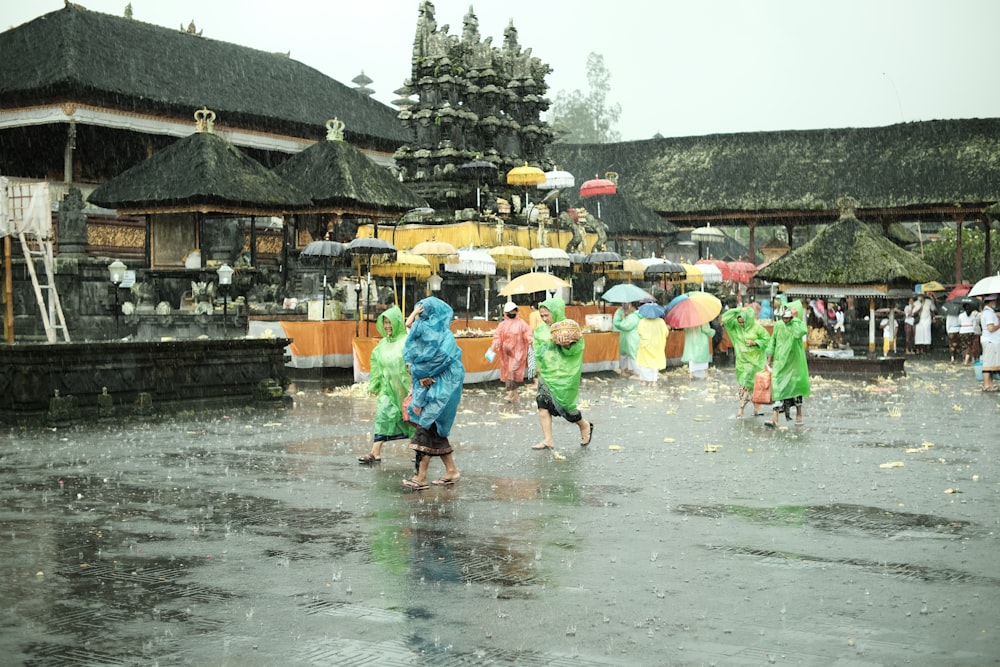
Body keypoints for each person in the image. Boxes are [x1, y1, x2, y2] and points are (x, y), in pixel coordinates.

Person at [401, 297, 464, 489]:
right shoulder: (424, 336)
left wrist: (423, 373)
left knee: (425, 429)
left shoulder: (446, 338)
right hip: (428, 388)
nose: (422, 318)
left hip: (442, 389)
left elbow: (441, 359)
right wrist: (418, 373)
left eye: (424, 313)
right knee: (434, 431)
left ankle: (420, 477)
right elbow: (411, 349)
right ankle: (451, 470)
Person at [531, 296, 593, 451]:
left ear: (556, 312)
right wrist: (536, 369)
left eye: (547, 315)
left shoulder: (570, 328)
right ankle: (548, 439)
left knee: (565, 407)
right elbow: (537, 351)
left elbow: (578, 348)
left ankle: (584, 424)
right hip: (547, 374)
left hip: (564, 375)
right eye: (542, 316)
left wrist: (566, 346)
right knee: (542, 404)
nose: (544, 319)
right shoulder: (539, 331)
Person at [358, 306, 414, 464]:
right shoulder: (381, 345)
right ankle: (375, 452)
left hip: (407, 389)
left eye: (390, 322)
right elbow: (376, 366)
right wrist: (375, 385)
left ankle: (419, 452)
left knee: (412, 420)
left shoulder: (407, 341)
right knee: (383, 415)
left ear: (397, 323)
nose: (387, 326)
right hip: (388, 389)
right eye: (385, 323)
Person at [721, 306, 771, 418]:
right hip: (742, 362)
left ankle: (751, 409)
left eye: (743, 322)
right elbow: (725, 318)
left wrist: (755, 342)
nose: (742, 324)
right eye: (740, 322)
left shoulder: (757, 328)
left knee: (754, 386)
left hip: (756, 363)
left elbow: (767, 340)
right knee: (745, 385)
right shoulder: (736, 327)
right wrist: (737, 310)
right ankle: (742, 408)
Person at [765, 306, 811, 426]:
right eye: (784, 317)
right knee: (777, 389)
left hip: (794, 364)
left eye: (788, 318)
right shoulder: (779, 325)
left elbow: (799, 333)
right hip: (780, 363)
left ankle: (799, 414)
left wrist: (795, 319)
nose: (785, 320)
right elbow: (772, 342)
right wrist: (769, 361)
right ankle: (775, 419)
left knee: (795, 390)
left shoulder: (797, 325)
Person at [491, 301, 533, 401]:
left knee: (511, 371)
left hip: (518, 353)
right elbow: (497, 336)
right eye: (510, 311)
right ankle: (515, 394)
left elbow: (528, 333)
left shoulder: (521, 323)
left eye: (513, 311)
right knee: (508, 374)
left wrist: (531, 341)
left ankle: (510, 394)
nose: (512, 313)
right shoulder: (502, 325)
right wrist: (495, 344)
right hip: (506, 354)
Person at [635, 303, 668, 386]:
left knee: (644, 364)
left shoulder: (642, 321)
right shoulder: (661, 322)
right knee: (655, 365)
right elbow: (666, 333)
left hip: (645, 346)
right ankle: (654, 382)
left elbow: (639, 332)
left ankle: (643, 381)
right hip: (657, 346)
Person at [612, 301, 640, 377]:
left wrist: (624, 318)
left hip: (631, 338)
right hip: (629, 337)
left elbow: (625, 326)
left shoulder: (633, 316)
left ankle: (637, 373)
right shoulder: (637, 315)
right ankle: (626, 370)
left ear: (631, 306)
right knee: (626, 354)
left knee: (632, 355)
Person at [980, 293, 1000, 392]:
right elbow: (991, 328)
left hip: (992, 341)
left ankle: (990, 384)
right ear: (992, 302)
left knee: (991, 363)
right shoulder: (988, 313)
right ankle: (986, 384)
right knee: (988, 363)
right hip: (990, 341)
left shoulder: (990, 312)